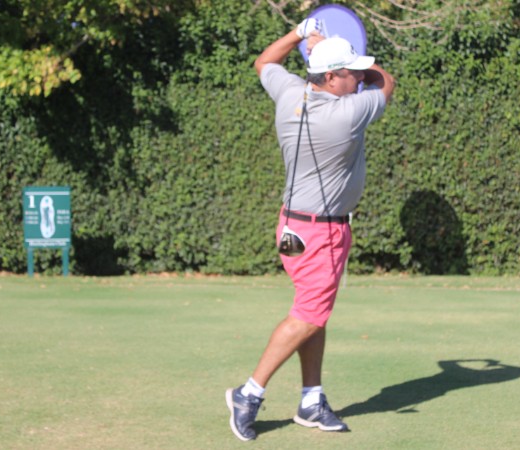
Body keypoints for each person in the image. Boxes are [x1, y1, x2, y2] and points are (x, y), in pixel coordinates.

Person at [225, 18, 395, 441]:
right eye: (352, 72)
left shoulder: (291, 92)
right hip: (322, 234)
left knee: (314, 312)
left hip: (294, 226)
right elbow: (386, 82)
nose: (360, 78)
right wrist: (353, 58)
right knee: (308, 315)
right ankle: (248, 394)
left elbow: (264, 62)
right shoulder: (347, 113)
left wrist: (301, 34)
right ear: (331, 77)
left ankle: (311, 399)